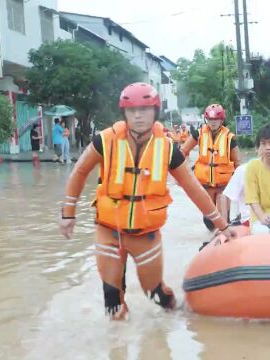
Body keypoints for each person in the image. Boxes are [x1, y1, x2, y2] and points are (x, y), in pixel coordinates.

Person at [59, 82, 236, 320]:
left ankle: (178, 317)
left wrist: (223, 227)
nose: (138, 115)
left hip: (146, 235)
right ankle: (117, 345)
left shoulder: (167, 148)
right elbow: (79, 173)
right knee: (111, 296)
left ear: (155, 112)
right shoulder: (104, 140)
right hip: (108, 230)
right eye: (132, 110)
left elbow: (193, 189)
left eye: (145, 109)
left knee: (154, 292)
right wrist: (68, 214)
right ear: (124, 113)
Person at [181, 104, 239, 230]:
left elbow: (238, 163)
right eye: (210, 120)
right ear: (206, 120)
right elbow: (183, 152)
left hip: (224, 185)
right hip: (205, 184)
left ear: (221, 120)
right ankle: (212, 236)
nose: (213, 123)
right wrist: (183, 172)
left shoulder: (230, 138)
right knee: (209, 221)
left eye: (216, 120)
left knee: (224, 218)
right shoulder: (198, 134)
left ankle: (224, 241)